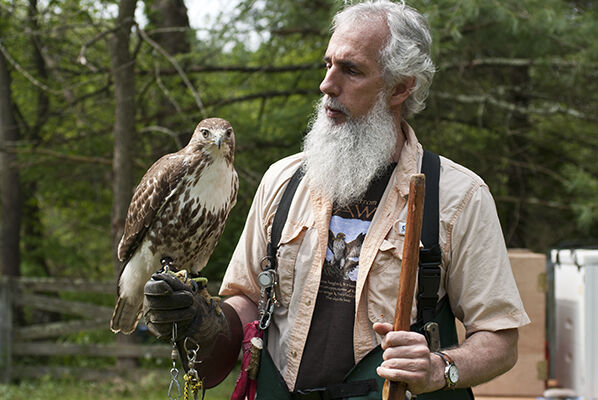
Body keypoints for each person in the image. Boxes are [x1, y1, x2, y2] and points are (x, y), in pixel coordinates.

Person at [142, 1, 530, 398]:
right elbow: (247, 299)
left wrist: (440, 367)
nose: (327, 84)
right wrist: (204, 321)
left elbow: (500, 340)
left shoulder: (457, 196)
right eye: (328, 64)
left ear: (401, 87)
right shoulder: (284, 179)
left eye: (351, 70)